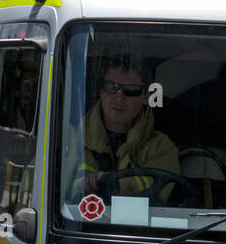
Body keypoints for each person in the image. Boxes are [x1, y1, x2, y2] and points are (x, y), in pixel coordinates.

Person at [74, 58, 181, 202]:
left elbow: (160, 192)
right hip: (80, 217)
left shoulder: (161, 147)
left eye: (131, 90)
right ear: (101, 91)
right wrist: (81, 188)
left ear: (146, 97)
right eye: (111, 87)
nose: (119, 98)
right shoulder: (68, 139)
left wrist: (109, 183)